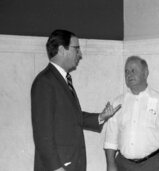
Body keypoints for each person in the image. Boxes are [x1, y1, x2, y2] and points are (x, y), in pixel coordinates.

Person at [31, 29, 121, 171]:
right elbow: (43, 135)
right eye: (76, 48)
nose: (80, 54)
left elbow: (72, 117)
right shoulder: (45, 82)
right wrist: (56, 168)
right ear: (62, 49)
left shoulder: (63, 80)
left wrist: (101, 117)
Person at [104, 56, 159, 171]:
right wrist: (111, 165)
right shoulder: (118, 102)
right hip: (123, 164)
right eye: (126, 71)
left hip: (152, 164)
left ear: (145, 73)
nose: (129, 74)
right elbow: (110, 139)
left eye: (133, 70)